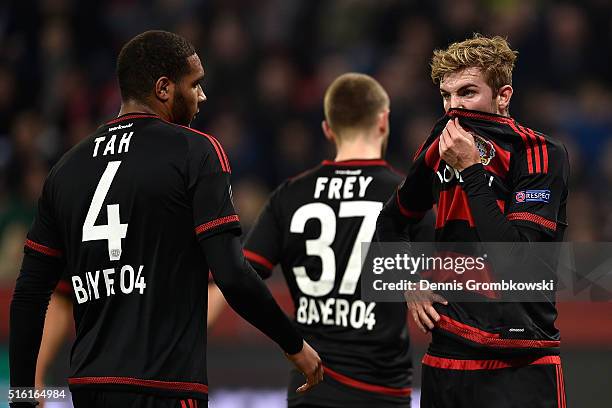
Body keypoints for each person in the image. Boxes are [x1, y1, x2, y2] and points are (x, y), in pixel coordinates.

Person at [9, 30, 323, 408]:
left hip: (90, 387)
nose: (202, 96)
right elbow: (233, 274)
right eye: (196, 85)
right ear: (163, 88)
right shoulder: (196, 152)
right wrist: (294, 344)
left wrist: (22, 396)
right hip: (166, 387)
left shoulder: (65, 169)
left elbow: (29, 293)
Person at [375, 34, 569, 407]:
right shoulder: (438, 146)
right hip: (448, 353)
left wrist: (470, 169)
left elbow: (517, 263)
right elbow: (391, 221)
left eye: (467, 93)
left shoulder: (540, 152)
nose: (454, 108)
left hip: (522, 356)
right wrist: (408, 280)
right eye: (446, 96)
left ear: (503, 96)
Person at [244, 73, 433, 408]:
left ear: (327, 129)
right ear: (384, 121)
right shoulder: (406, 198)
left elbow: (239, 282)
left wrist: (291, 342)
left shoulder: (289, 196)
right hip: (382, 391)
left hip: (310, 389)